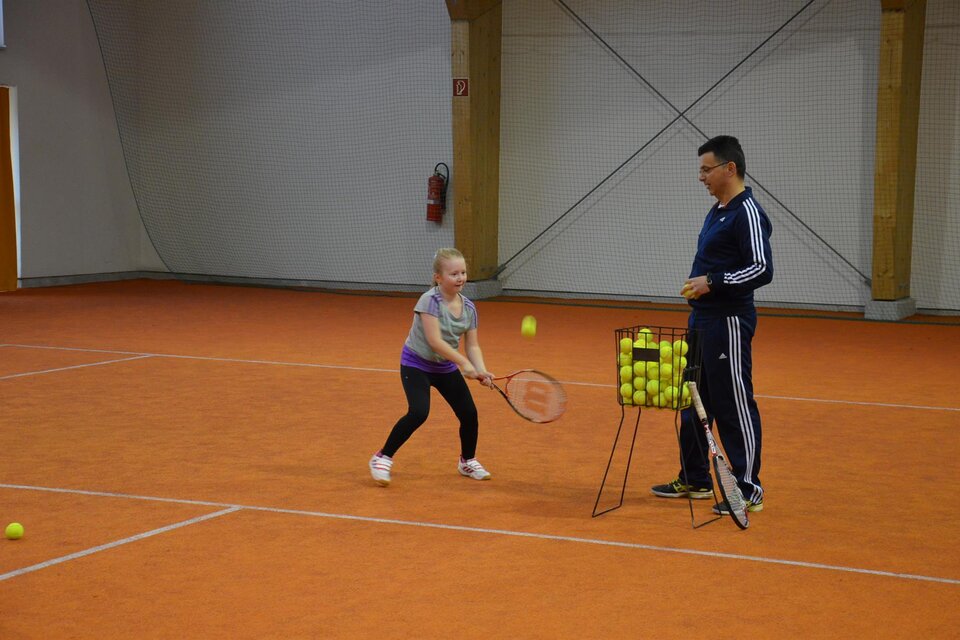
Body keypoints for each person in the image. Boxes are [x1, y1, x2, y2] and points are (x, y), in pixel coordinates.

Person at [651, 135, 773, 515]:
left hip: (729, 322)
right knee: (694, 400)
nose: (700, 177)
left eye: (706, 169)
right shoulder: (718, 210)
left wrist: (713, 282)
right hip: (701, 320)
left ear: (729, 169)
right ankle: (696, 478)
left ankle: (748, 488)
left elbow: (762, 268)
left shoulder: (748, 212)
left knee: (733, 403)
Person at [369, 248, 494, 487]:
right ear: (438, 277)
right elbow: (435, 341)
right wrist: (464, 364)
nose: (460, 278)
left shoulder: (468, 307)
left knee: (469, 414)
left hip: (444, 367)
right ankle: (382, 457)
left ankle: (467, 461)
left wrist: (480, 369)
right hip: (416, 364)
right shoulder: (429, 301)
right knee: (418, 412)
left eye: (463, 273)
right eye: (453, 273)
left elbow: (473, 345)